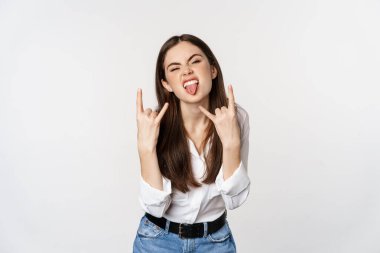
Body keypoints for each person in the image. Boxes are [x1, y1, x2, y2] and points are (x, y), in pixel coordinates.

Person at [133, 34, 251, 253]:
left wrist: (230, 143)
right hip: (157, 240)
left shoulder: (236, 117)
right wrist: (146, 148)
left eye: (195, 61)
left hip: (214, 242)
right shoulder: (155, 124)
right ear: (166, 84)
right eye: (175, 68)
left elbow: (234, 199)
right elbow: (154, 207)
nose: (186, 71)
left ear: (213, 70)